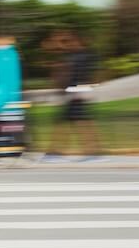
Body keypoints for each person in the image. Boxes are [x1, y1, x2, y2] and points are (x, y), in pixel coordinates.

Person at [42, 31, 102, 162]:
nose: (67, 45)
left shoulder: (79, 57)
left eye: (69, 42)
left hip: (76, 94)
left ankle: (57, 152)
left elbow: (75, 76)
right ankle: (57, 151)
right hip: (74, 93)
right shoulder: (79, 55)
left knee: (76, 122)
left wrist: (71, 89)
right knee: (72, 122)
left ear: (77, 41)